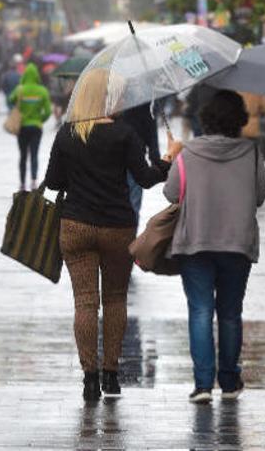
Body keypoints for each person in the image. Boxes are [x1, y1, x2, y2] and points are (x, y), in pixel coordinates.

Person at [44, 68, 182, 401]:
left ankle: (89, 378)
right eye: (119, 95)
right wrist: (169, 157)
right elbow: (147, 178)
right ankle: (111, 375)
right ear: (106, 98)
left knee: (85, 303)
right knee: (116, 299)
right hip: (117, 227)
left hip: (75, 225)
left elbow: (53, 182)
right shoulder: (124, 134)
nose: (124, 100)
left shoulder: (67, 134)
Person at [163, 90, 265, 403]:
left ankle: (203, 385)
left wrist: (173, 157)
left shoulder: (189, 153)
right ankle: (230, 381)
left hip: (195, 240)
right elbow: (260, 196)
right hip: (237, 242)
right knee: (230, 313)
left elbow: (170, 193)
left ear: (205, 119)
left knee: (200, 310)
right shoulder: (251, 153)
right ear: (240, 120)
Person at [9, 63, 52, 191]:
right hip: (36, 128)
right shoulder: (42, 91)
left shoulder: (20, 89)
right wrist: (40, 120)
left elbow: (10, 100)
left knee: (22, 155)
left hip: (22, 127)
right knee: (34, 154)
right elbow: (48, 111)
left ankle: (22, 182)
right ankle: (33, 181)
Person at [119, 102, 161, 224]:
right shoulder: (143, 100)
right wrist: (155, 157)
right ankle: (130, 237)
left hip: (117, 155)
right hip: (136, 157)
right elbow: (150, 128)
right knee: (133, 203)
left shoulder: (114, 99)